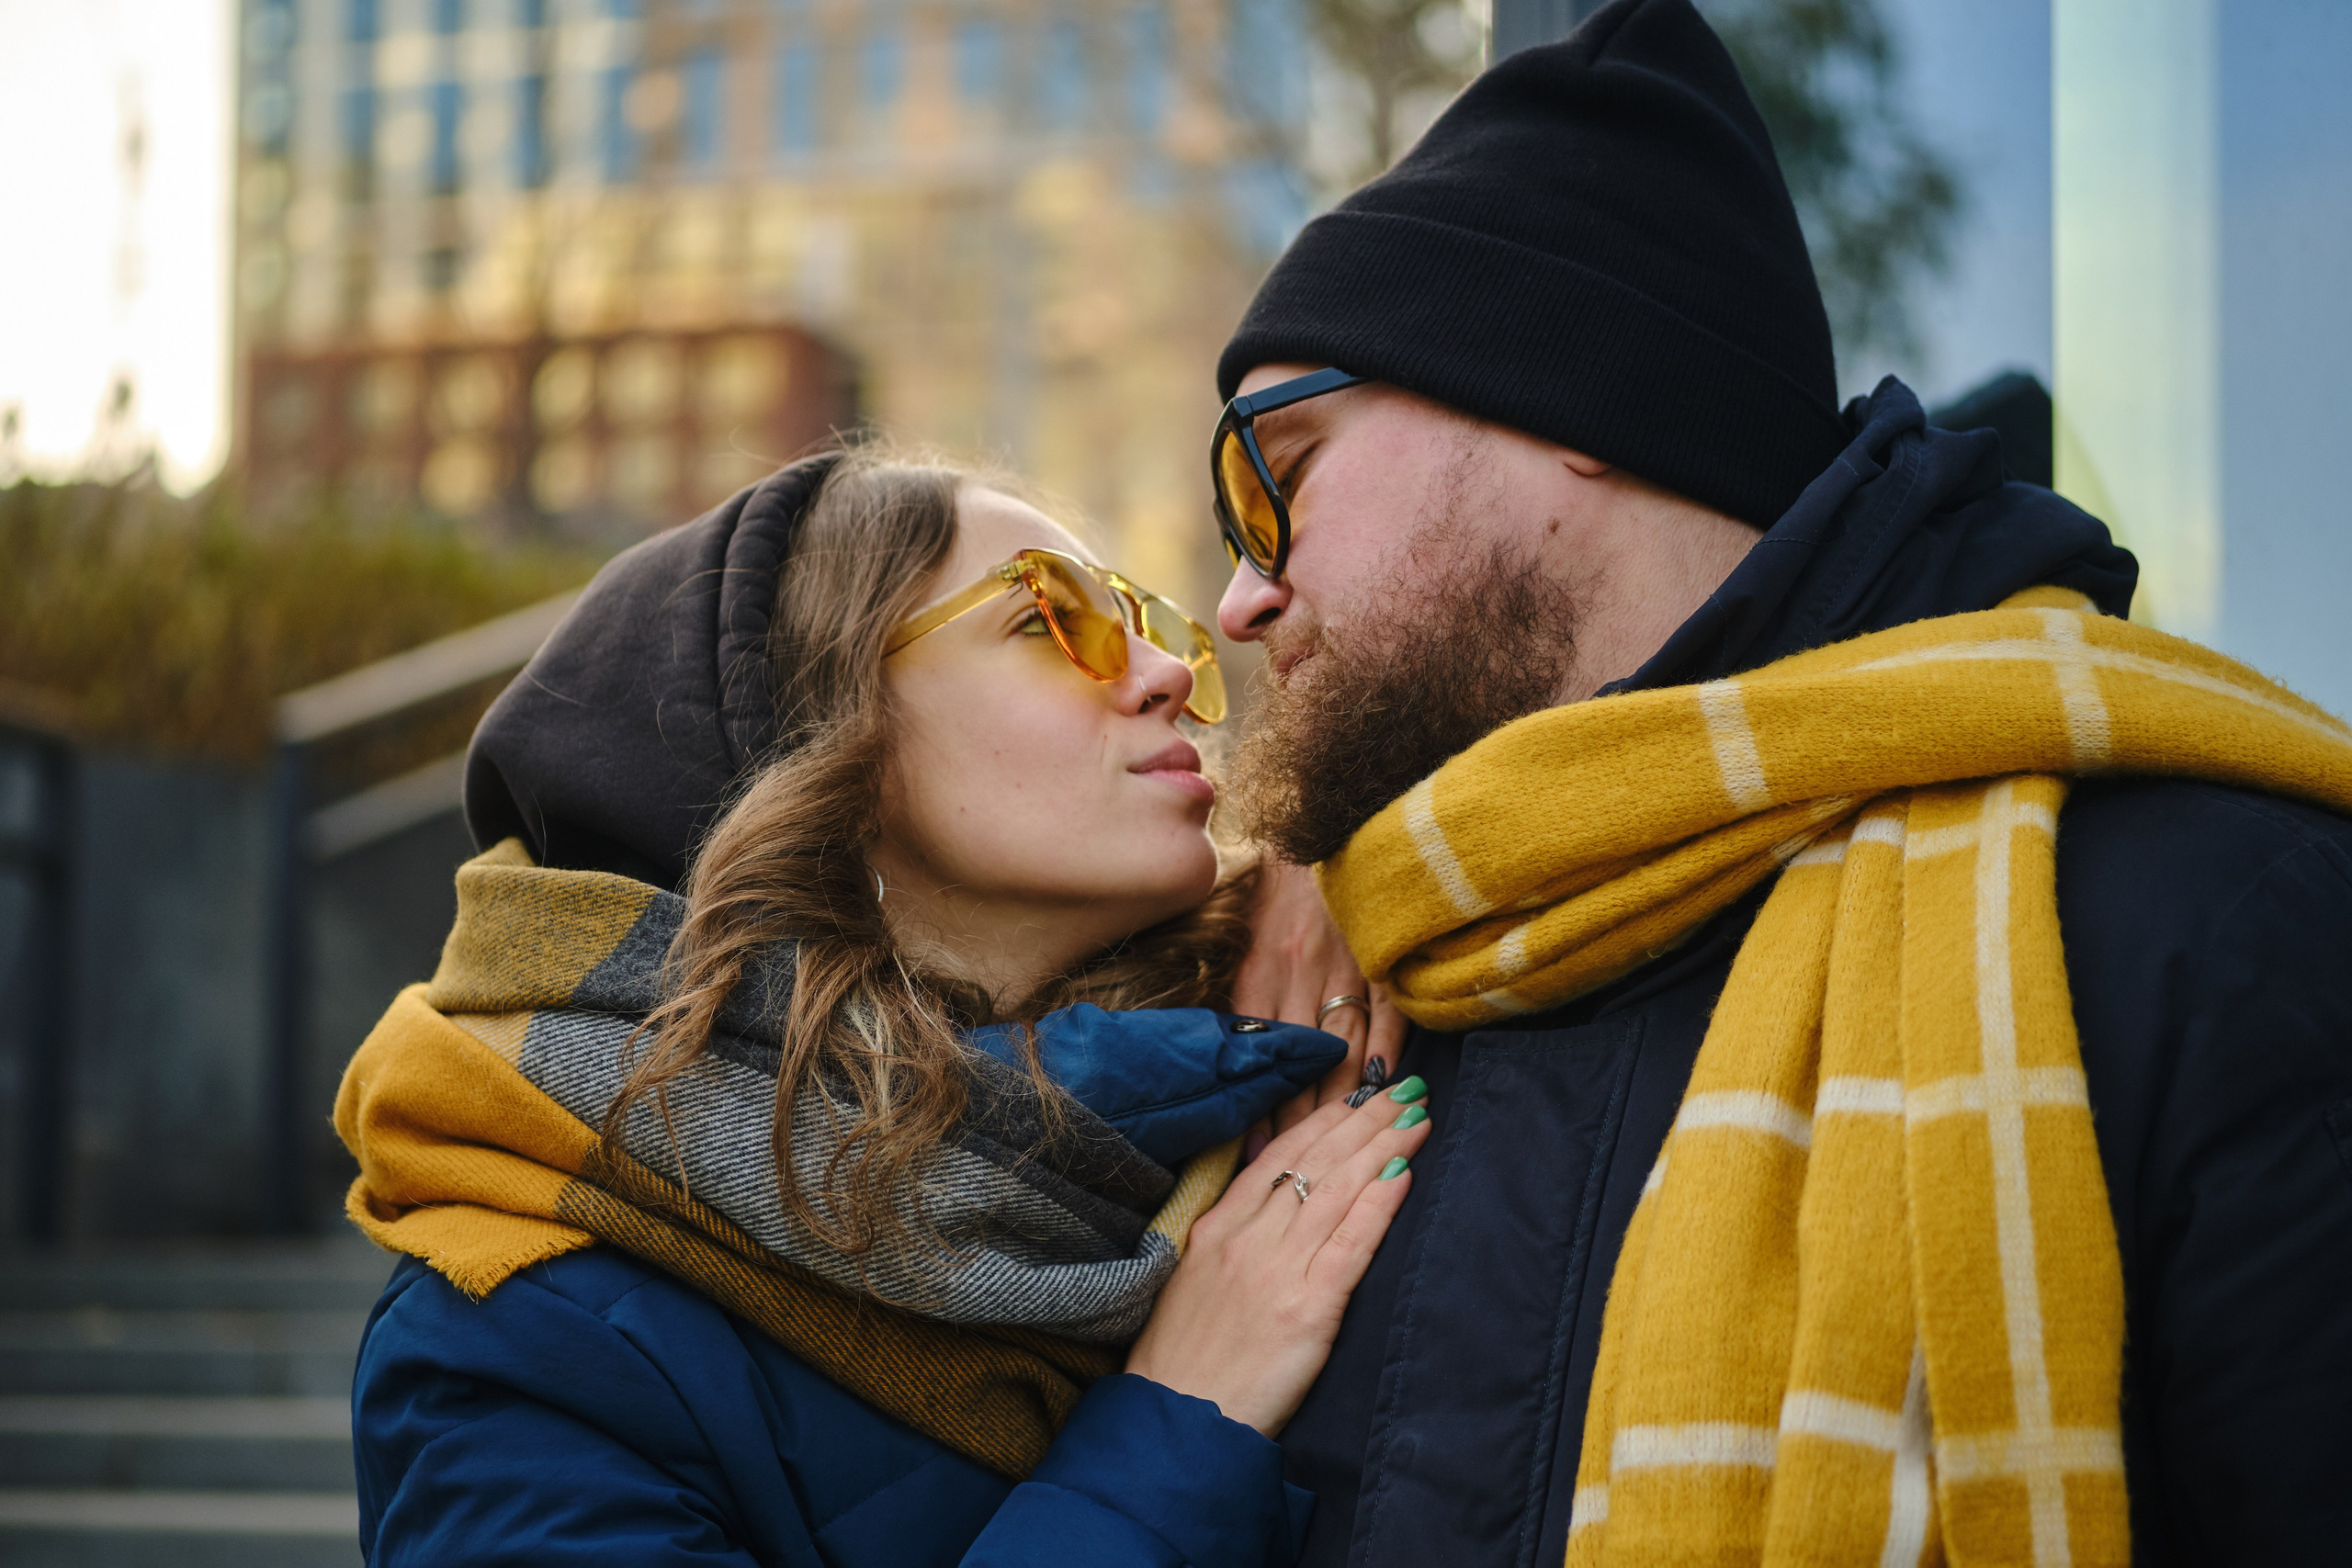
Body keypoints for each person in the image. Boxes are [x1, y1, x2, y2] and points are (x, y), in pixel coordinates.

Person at [1204, 2, 2352, 1565]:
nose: (1236, 599)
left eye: (1280, 469)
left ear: (1563, 396)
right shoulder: (1349, 1017)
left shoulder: (2208, 926)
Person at [334, 448, 1436, 1566]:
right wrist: (1177, 1421)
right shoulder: (515, 1336)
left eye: (1144, 624)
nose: (1161, 673)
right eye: (1049, 619)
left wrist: (1344, 852)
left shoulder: (1276, 1047)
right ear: (821, 744)